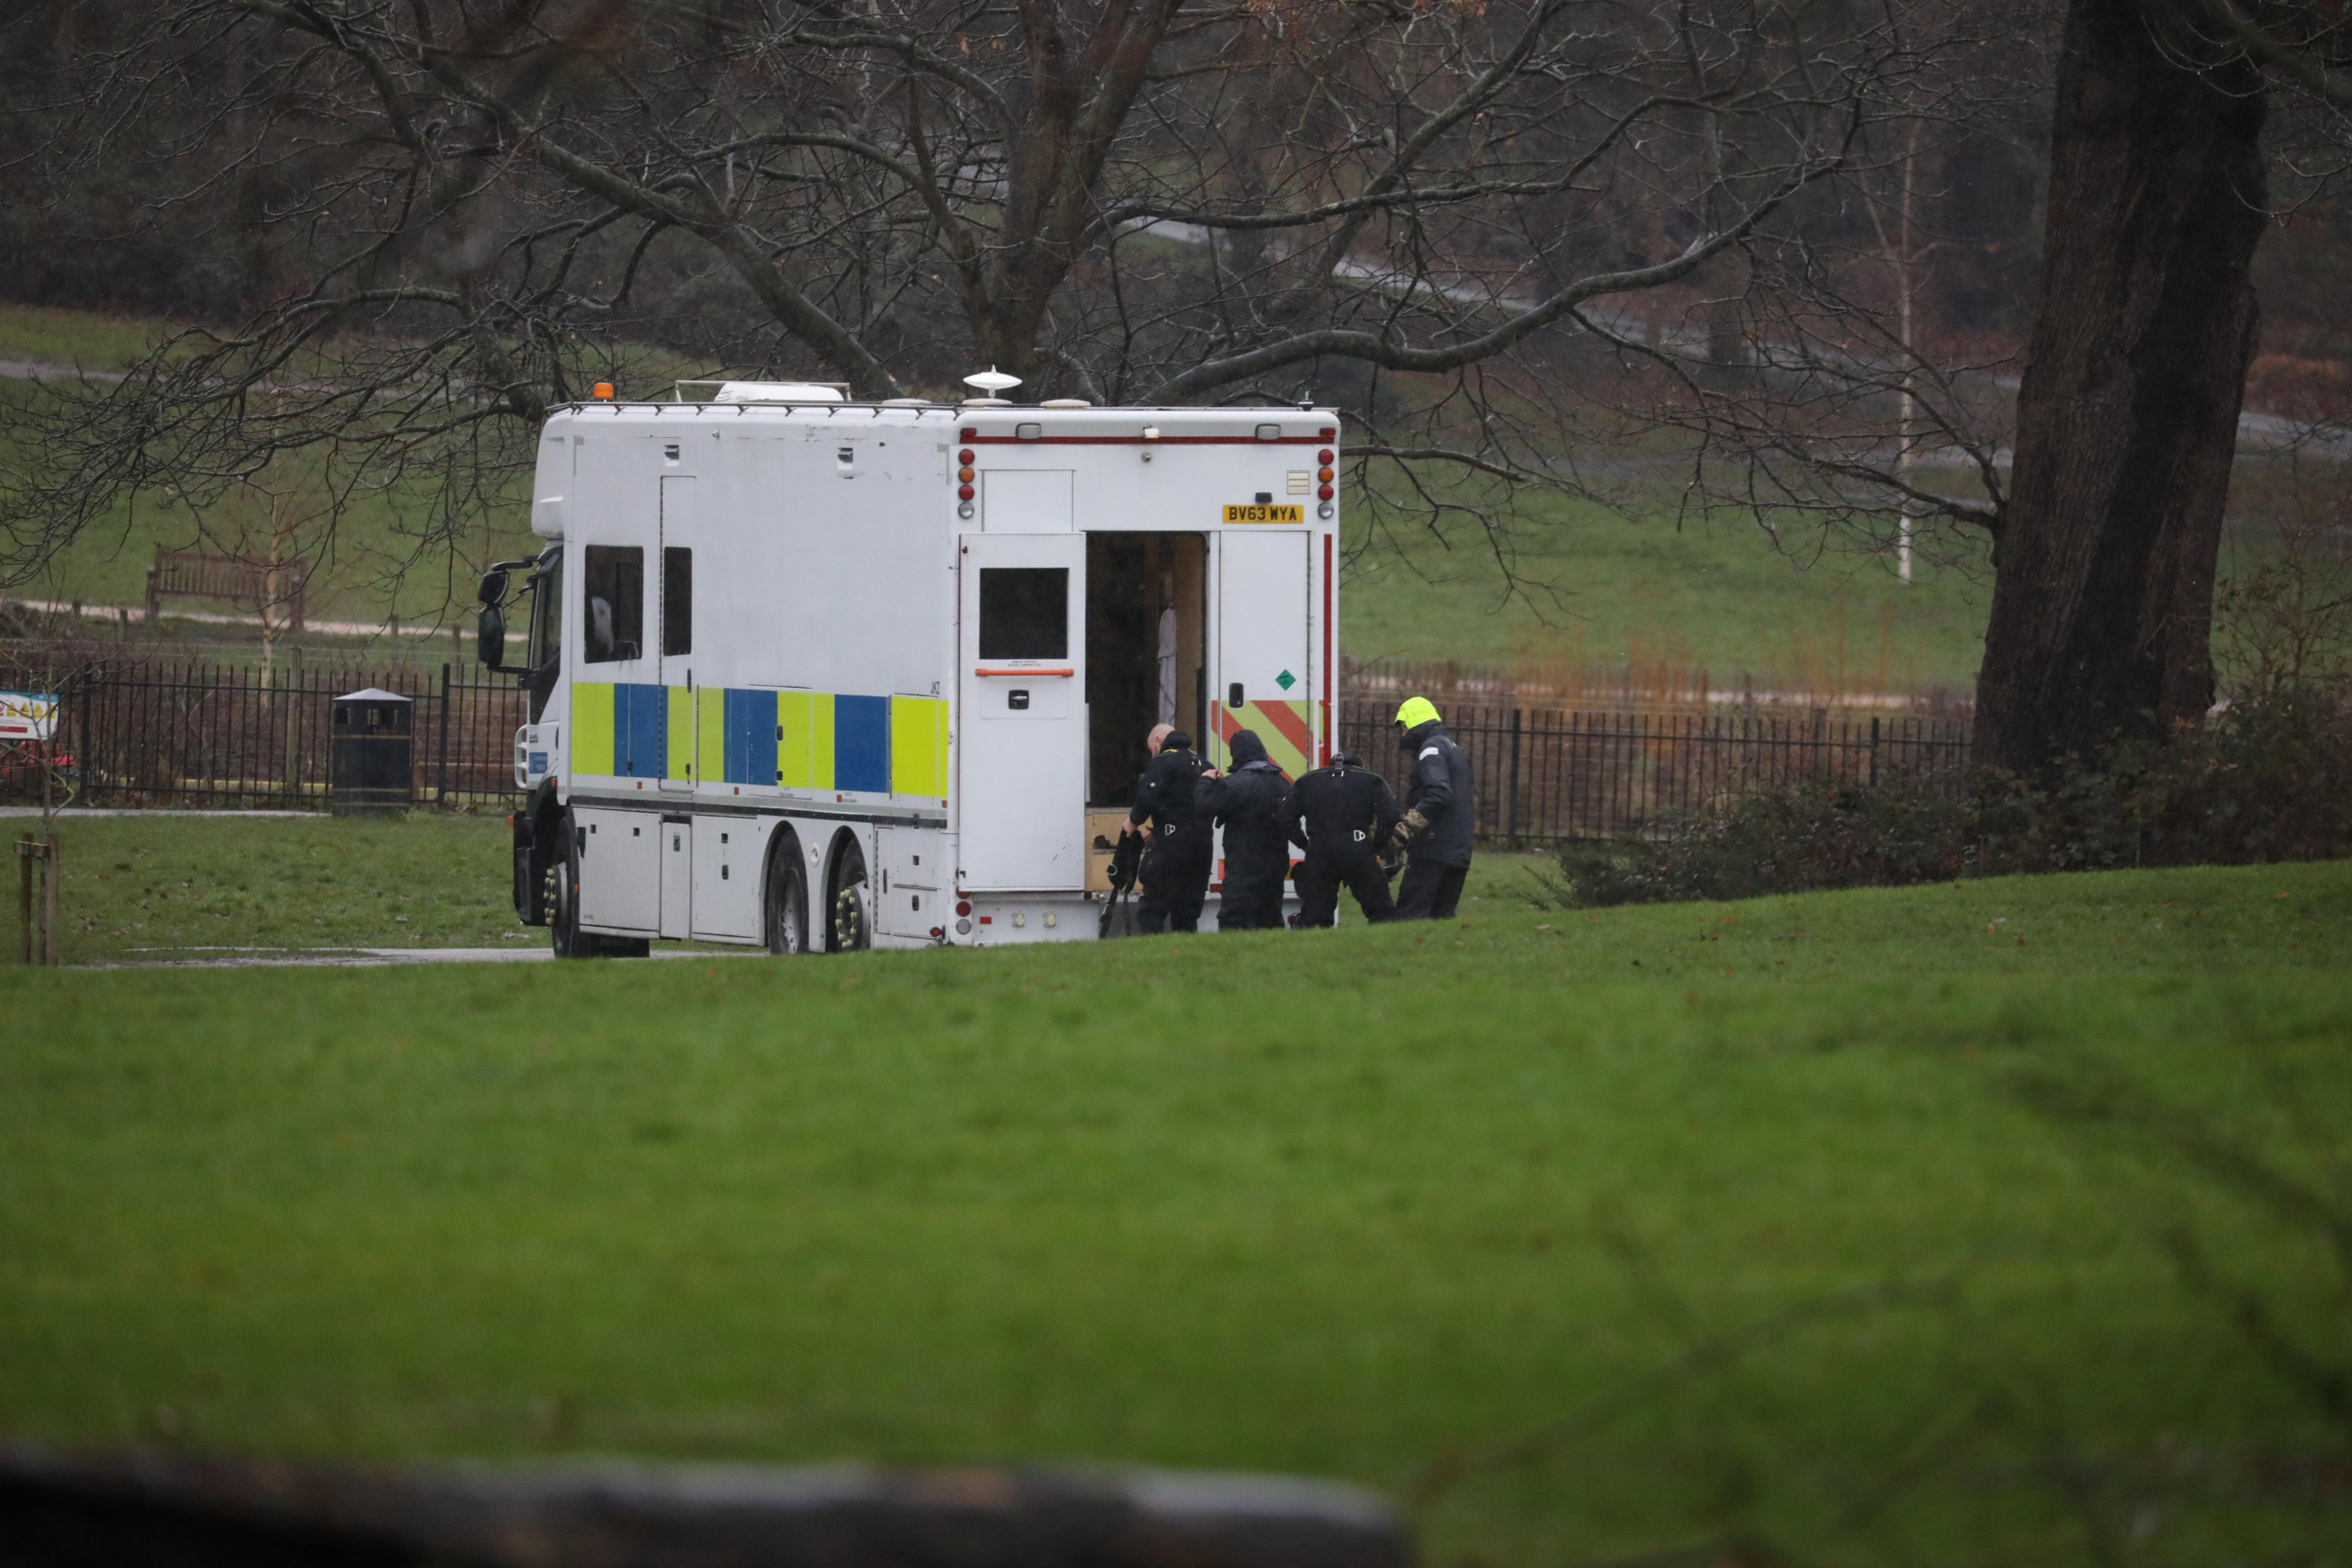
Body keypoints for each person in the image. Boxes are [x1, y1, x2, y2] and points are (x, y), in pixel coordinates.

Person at [1283, 749, 1400, 927]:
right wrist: (1377, 845)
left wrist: (1304, 844)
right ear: (1358, 766)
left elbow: (1284, 817)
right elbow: (1391, 815)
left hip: (1320, 852)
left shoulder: (1307, 781)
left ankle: (1315, 950)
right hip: (1358, 850)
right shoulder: (1370, 779)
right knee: (1381, 912)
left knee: (1316, 918)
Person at [1196, 728, 1292, 930]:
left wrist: (1206, 779)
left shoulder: (1236, 784)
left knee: (1234, 922)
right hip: (1275, 866)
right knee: (1270, 919)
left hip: (1244, 866)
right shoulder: (1282, 784)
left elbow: (1203, 804)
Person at [1125, 723, 1216, 934]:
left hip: (1172, 849)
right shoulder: (1204, 764)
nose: (1152, 754)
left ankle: (1152, 959)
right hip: (1202, 847)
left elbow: (1147, 796)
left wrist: (1132, 823)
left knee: (1152, 911)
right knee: (1187, 914)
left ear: (1158, 742)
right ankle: (1186, 958)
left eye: (1151, 749)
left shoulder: (1163, 762)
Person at [1390, 696, 1474, 920]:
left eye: (1403, 728)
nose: (1403, 735)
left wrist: (1407, 827)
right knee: (1442, 920)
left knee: (1410, 917)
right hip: (1459, 851)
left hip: (1433, 849)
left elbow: (1439, 793)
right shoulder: (1454, 749)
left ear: (1412, 725)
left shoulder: (1431, 750)